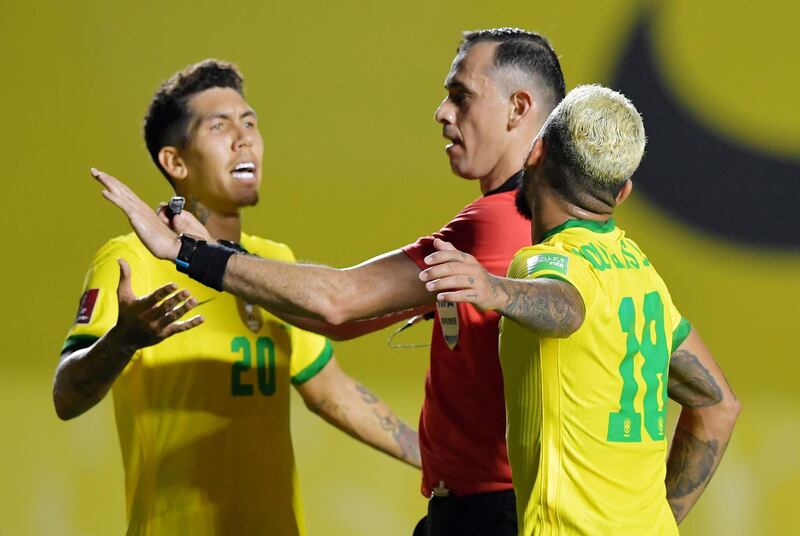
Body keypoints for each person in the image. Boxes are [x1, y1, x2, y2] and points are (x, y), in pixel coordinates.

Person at [90, 28, 566, 535]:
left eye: (459, 96)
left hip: (493, 517)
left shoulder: (490, 225)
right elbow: (335, 321)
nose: (442, 113)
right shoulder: (570, 233)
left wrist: (190, 253)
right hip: (493, 510)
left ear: (518, 108)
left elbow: (337, 303)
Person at [54, 60, 420, 536]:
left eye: (249, 123)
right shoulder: (131, 259)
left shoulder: (272, 263)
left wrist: (441, 462)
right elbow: (67, 394)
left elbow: (332, 392)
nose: (244, 137)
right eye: (219, 126)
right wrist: (123, 339)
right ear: (175, 162)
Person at [419, 84, 741, 534]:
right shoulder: (643, 277)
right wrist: (661, 520)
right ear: (623, 191)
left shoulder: (545, 261)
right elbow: (718, 404)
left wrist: (494, 290)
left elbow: (567, 305)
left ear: (535, 152)